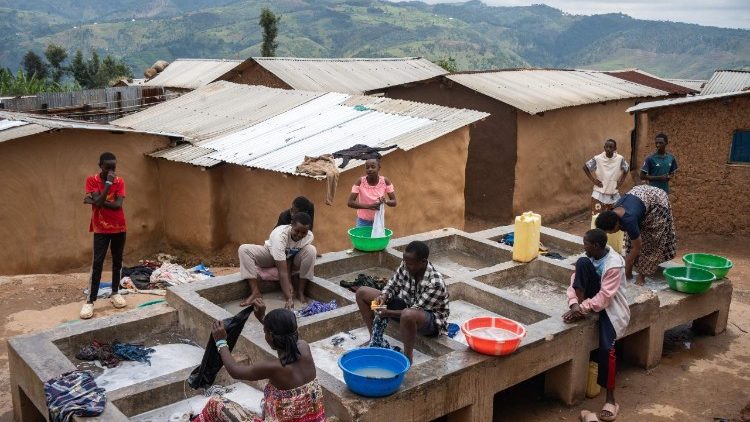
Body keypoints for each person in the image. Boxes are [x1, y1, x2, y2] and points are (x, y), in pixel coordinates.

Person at [195, 300, 326, 422]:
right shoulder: (304, 348)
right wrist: (263, 318)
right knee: (267, 402)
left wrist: (221, 341)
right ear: (296, 331)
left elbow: (234, 371)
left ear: (270, 336)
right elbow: (286, 335)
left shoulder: (273, 367)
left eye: (265, 332)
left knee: (215, 404)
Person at [564, 229, 629, 422]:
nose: (584, 247)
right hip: (588, 303)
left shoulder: (614, 265)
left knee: (607, 350)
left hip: (610, 309)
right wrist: (574, 304)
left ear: (597, 246)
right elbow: (573, 282)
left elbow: (605, 298)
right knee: (582, 263)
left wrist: (582, 308)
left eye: (586, 244)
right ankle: (579, 313)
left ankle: (610, 399)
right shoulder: (587, 257)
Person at [355, 240, 449, 363]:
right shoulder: (406, 265)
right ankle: (375, 339)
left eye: (410, 263)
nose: (405, 265)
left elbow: (415, 309)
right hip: (407, 307)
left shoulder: (435, 283)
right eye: (404, 261)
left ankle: (407, 358)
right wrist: (383, 296)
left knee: (408, 314)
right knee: (362, 292)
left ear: (423, 262)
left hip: (430, 321)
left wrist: (387, 312)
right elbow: (393, 285)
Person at [595, 185, 676, 286]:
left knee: (650, 243)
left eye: (609, 231)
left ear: (616, 224)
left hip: (657, 201)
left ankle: (641, 276)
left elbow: (637, 247)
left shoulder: (629, 219)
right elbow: (632, 242)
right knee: (630, 240)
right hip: (641, 196)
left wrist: (623, 265)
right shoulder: (613, 212)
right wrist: (626, 273)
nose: (609, 234)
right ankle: (628, 275)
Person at [80, 152, 127, 320]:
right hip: (100, 228)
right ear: (100, 166)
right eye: (108, 168)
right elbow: (105, 202)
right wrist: (107, 185)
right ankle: (90, 301)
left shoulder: (120, 181)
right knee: (97, 263)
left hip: (119, 227)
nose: (112, 171)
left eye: (114, 168)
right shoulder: (92, 180)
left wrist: (95, 201)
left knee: (117, 261)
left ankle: (115, 292)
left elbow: (117, 205)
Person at [238, 212, 315, 309]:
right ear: (291, 225)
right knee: (244, 249)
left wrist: (290, 281)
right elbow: (282, 272)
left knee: (312, 250)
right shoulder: (279, 236)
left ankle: (300, 292)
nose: (300, 235)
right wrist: (289, 298)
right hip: (270, 255)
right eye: (297, 231)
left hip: (290, 258)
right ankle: (255, 292)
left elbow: (290, 257)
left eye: (304, 232)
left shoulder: (309, 237)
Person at [583, 139, 629, 215]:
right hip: (599, 194)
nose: (608, 149)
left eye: (611, 147)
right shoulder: (597, 158)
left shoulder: (620, 159)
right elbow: (585, 167)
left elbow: (626, 168)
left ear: (615, 149)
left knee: (613, 220)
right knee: (597, 218)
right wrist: (594, 180)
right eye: (607, 147)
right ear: (604, 147)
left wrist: (621, 181)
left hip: (613, 194)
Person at [347, 158, 396, 227]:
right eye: (367, 167)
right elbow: (350, 202)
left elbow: (394, 202)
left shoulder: (385, 181)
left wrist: (385, 201)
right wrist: (369, 206)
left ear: (379, 168)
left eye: (373, 167)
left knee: (377, 238)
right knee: (362, 238)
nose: (370, 169)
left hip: (378, 220)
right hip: (363, 221)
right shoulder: (360, 181)